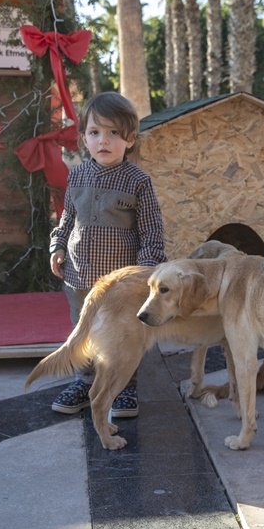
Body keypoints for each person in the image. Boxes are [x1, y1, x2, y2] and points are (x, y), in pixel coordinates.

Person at [49, 92, 166, 418]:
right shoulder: (77, 176)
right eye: (95, 132)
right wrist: (57, 247)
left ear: (130, 140)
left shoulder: (138, 182)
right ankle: (85, 382)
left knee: (122, 334)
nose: (104, 140)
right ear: (84, 137)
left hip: (120, 285)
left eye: (114, 133)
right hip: (78, 278)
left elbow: (152, 231)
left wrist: (146, 272)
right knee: (83, 331)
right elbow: (66, 220)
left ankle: (123, 387)